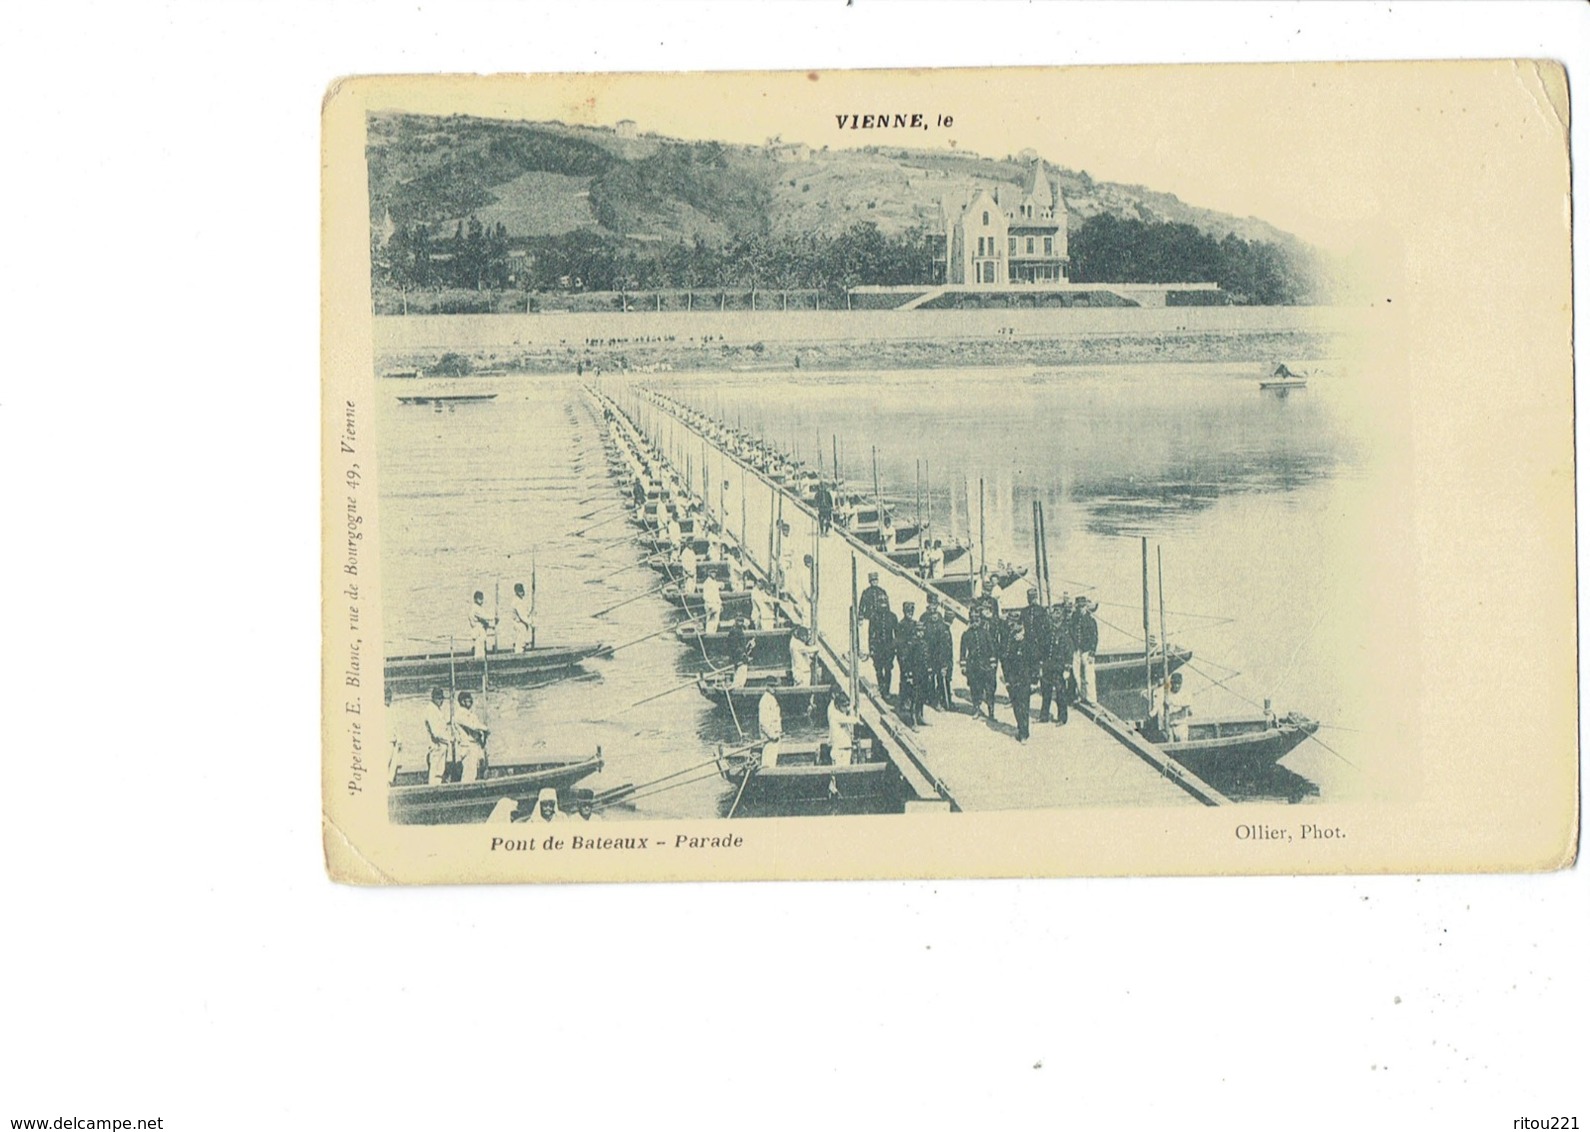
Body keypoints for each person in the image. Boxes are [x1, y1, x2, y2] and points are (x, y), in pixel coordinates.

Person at [1039, 600, 1074, 725]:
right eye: (1053, 613)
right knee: (1046, 691)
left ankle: (1062, 718)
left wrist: (1067, 668)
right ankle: (1044, 715)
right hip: (1048, 666)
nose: (1055, 615)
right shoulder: (1048, 632)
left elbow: (1069, 651)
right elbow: (1043, 649)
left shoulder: (1065, 632)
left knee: (1060, 693)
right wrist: (1041, 664)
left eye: (1057, 613)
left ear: (1061, 617)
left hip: (1059, 667)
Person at [1001, 616, 1035, 742]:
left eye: (1019, 633)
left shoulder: (1029, 645)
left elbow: (1034, 663)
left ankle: (1024, 733)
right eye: (1015, 633)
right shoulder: (1011, 644)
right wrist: (1007, 679)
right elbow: (1006, 662)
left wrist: (1034, 681)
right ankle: (1021, 727)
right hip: (1013, 680)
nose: (1016, 636)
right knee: (1016, 705)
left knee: (1024, 706)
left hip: (1025, 680)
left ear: (1023, 631)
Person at [896, 606, 928, 727]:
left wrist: (928, 670)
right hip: (914, 674)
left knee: (922, 695)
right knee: (914, 696)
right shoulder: (911, 644)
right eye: (918, 631)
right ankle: (913, 719)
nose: (920, 633)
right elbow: (905, 660)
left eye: (922, 631)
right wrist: (908, 674)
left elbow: (926, 658)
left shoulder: (924, 643)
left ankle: (920, 716)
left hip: (923, 674)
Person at [923, 604, 955, 711]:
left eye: (936, 614)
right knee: (933, 680)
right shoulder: (929, 627)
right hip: (934, 658)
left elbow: (946, 647)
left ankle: (945, 701)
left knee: (943, 680)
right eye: (932, 614)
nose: (934, 616)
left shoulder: (942, 627)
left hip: (943, 658)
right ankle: (935, 701)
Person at [864, 599, 898, 700]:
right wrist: (871, 648)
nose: (883, 606)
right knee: (878, 669)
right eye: (881, 604)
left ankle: (886, 690)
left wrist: (895, 646)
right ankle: (881, 686)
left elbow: (896, 634)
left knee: (888, 669)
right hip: (878, 647)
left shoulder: (892, 617)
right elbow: (871, 634)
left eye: (884, 604)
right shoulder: (874, 617)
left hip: (889, 648)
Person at [453, 690, 489, 783]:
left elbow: (476, 725)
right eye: (467, 700)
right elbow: (473, 725)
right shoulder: (460, 714)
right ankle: (465, 793)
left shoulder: (470, 713)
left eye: (470, 699)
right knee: (469, 774)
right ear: (462, 701)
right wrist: (485, 729)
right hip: (468, 747)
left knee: (474, 772)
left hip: (475, 745)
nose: (470, 701)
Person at [423, 687, 453, 785]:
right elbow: (436, 732)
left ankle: (437, 788)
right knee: (435, 771)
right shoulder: (431, 710)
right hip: (436, 745)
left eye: (442, 698)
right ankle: (432, 791)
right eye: (439, 698)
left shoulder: (437, 710)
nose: (441, 701)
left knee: (440, 771)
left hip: (442, 745)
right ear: (433, 698)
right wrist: (449, 738)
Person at [1151, 672, 1193, 742]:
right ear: (1171, 683)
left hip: (1180, 724)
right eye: (1175, 683)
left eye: (1179, 684)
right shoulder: (1167, 689)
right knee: (1169, 742)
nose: (1177, 686)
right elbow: (1158, 691)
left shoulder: (1185, 692)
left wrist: (1171, 702)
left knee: (1183, 743)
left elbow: (1186, 703)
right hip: (1168, 724)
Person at [1074, 597, 1100, 704]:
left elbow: (1095, 638)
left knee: (1089, 675)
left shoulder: (1091, 621)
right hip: (1077, 650)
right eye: (1079, 607)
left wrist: (1092, 653)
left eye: (1082, 606)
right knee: (1077, 675)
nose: (1081, 609)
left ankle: (1091, 699)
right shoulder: (1074, 619)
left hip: (1087, 651)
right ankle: (1081, 696)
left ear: (1086, 607)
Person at [826, 691, 857, 766]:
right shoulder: (836, 715)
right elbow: (852, 720)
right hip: (839, 750)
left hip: (845, 748)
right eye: (844, 706)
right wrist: (859, 720)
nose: (846, 708)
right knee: (840, 772)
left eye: (847, 706)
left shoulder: (841, 714)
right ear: (837, 706)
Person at [757, 687, 783, 770]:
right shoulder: (765, 701)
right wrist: (772, 735)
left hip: (775, 736)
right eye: (772, 686)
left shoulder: (771, 698)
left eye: (775, 686)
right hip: (769, 738)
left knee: (772, 761)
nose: (774, 688)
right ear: (767, 686)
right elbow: (763, 723)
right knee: (768, 763)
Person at [468, 590, 497, 658]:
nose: (481, 600)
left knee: (482, 649)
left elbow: (483, 621)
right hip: (477, 630)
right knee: (479, 649)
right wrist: (494, 617)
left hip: (481, 630)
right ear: (475, 599)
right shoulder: (475, 608)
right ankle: (479, 663)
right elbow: (484, 616)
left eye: (482, 598)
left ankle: (482, 663)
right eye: (479, 598)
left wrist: (491, 626)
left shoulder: (479, 608)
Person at [726, 617, 754, 687]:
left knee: (740, 672)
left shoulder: (737, 630)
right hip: (738, 656)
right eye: (739, 621)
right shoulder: (735, 631)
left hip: (738, 655)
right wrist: (743, 654)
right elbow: (734, 645)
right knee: (741, 670)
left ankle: (738, 686)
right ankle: (737, 686)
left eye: (742, 621)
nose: (741, 623)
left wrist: (748, 646)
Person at [509, 582, 535, 651]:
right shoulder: (517, 601)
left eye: (522, 590)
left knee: (522, 642)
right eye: (520, 591)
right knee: (520, 643)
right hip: (519, 624)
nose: (522, 592)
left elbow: (525, 613)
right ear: (516, 592)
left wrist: (530, 612)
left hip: (522, 624)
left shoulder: (520, 600)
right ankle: (519, 656)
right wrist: (531, 623)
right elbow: (522, 616)